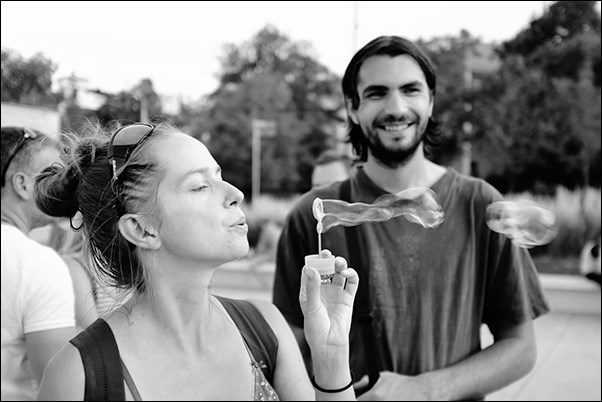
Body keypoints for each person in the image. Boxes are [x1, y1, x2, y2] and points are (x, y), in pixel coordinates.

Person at [272, 35, 550, 400]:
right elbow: (288, 351)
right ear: (352, 107)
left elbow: (521, 347)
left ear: (430, 101)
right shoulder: (314, 216)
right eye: (377, 93)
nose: (396, 107)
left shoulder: (477, 202)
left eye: (410, 90)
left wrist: (425, 390)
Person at [34, 121, 359, 401]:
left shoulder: (264, 329)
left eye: (219, 176)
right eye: (200, 186)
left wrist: (331, 354)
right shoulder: (78, 374)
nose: (236, 193)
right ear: (142, 230)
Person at [1, 126, 77, 401]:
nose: (64, 188)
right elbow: (60, 386)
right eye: (53, 175)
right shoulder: (37, 264)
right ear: (22, 184)